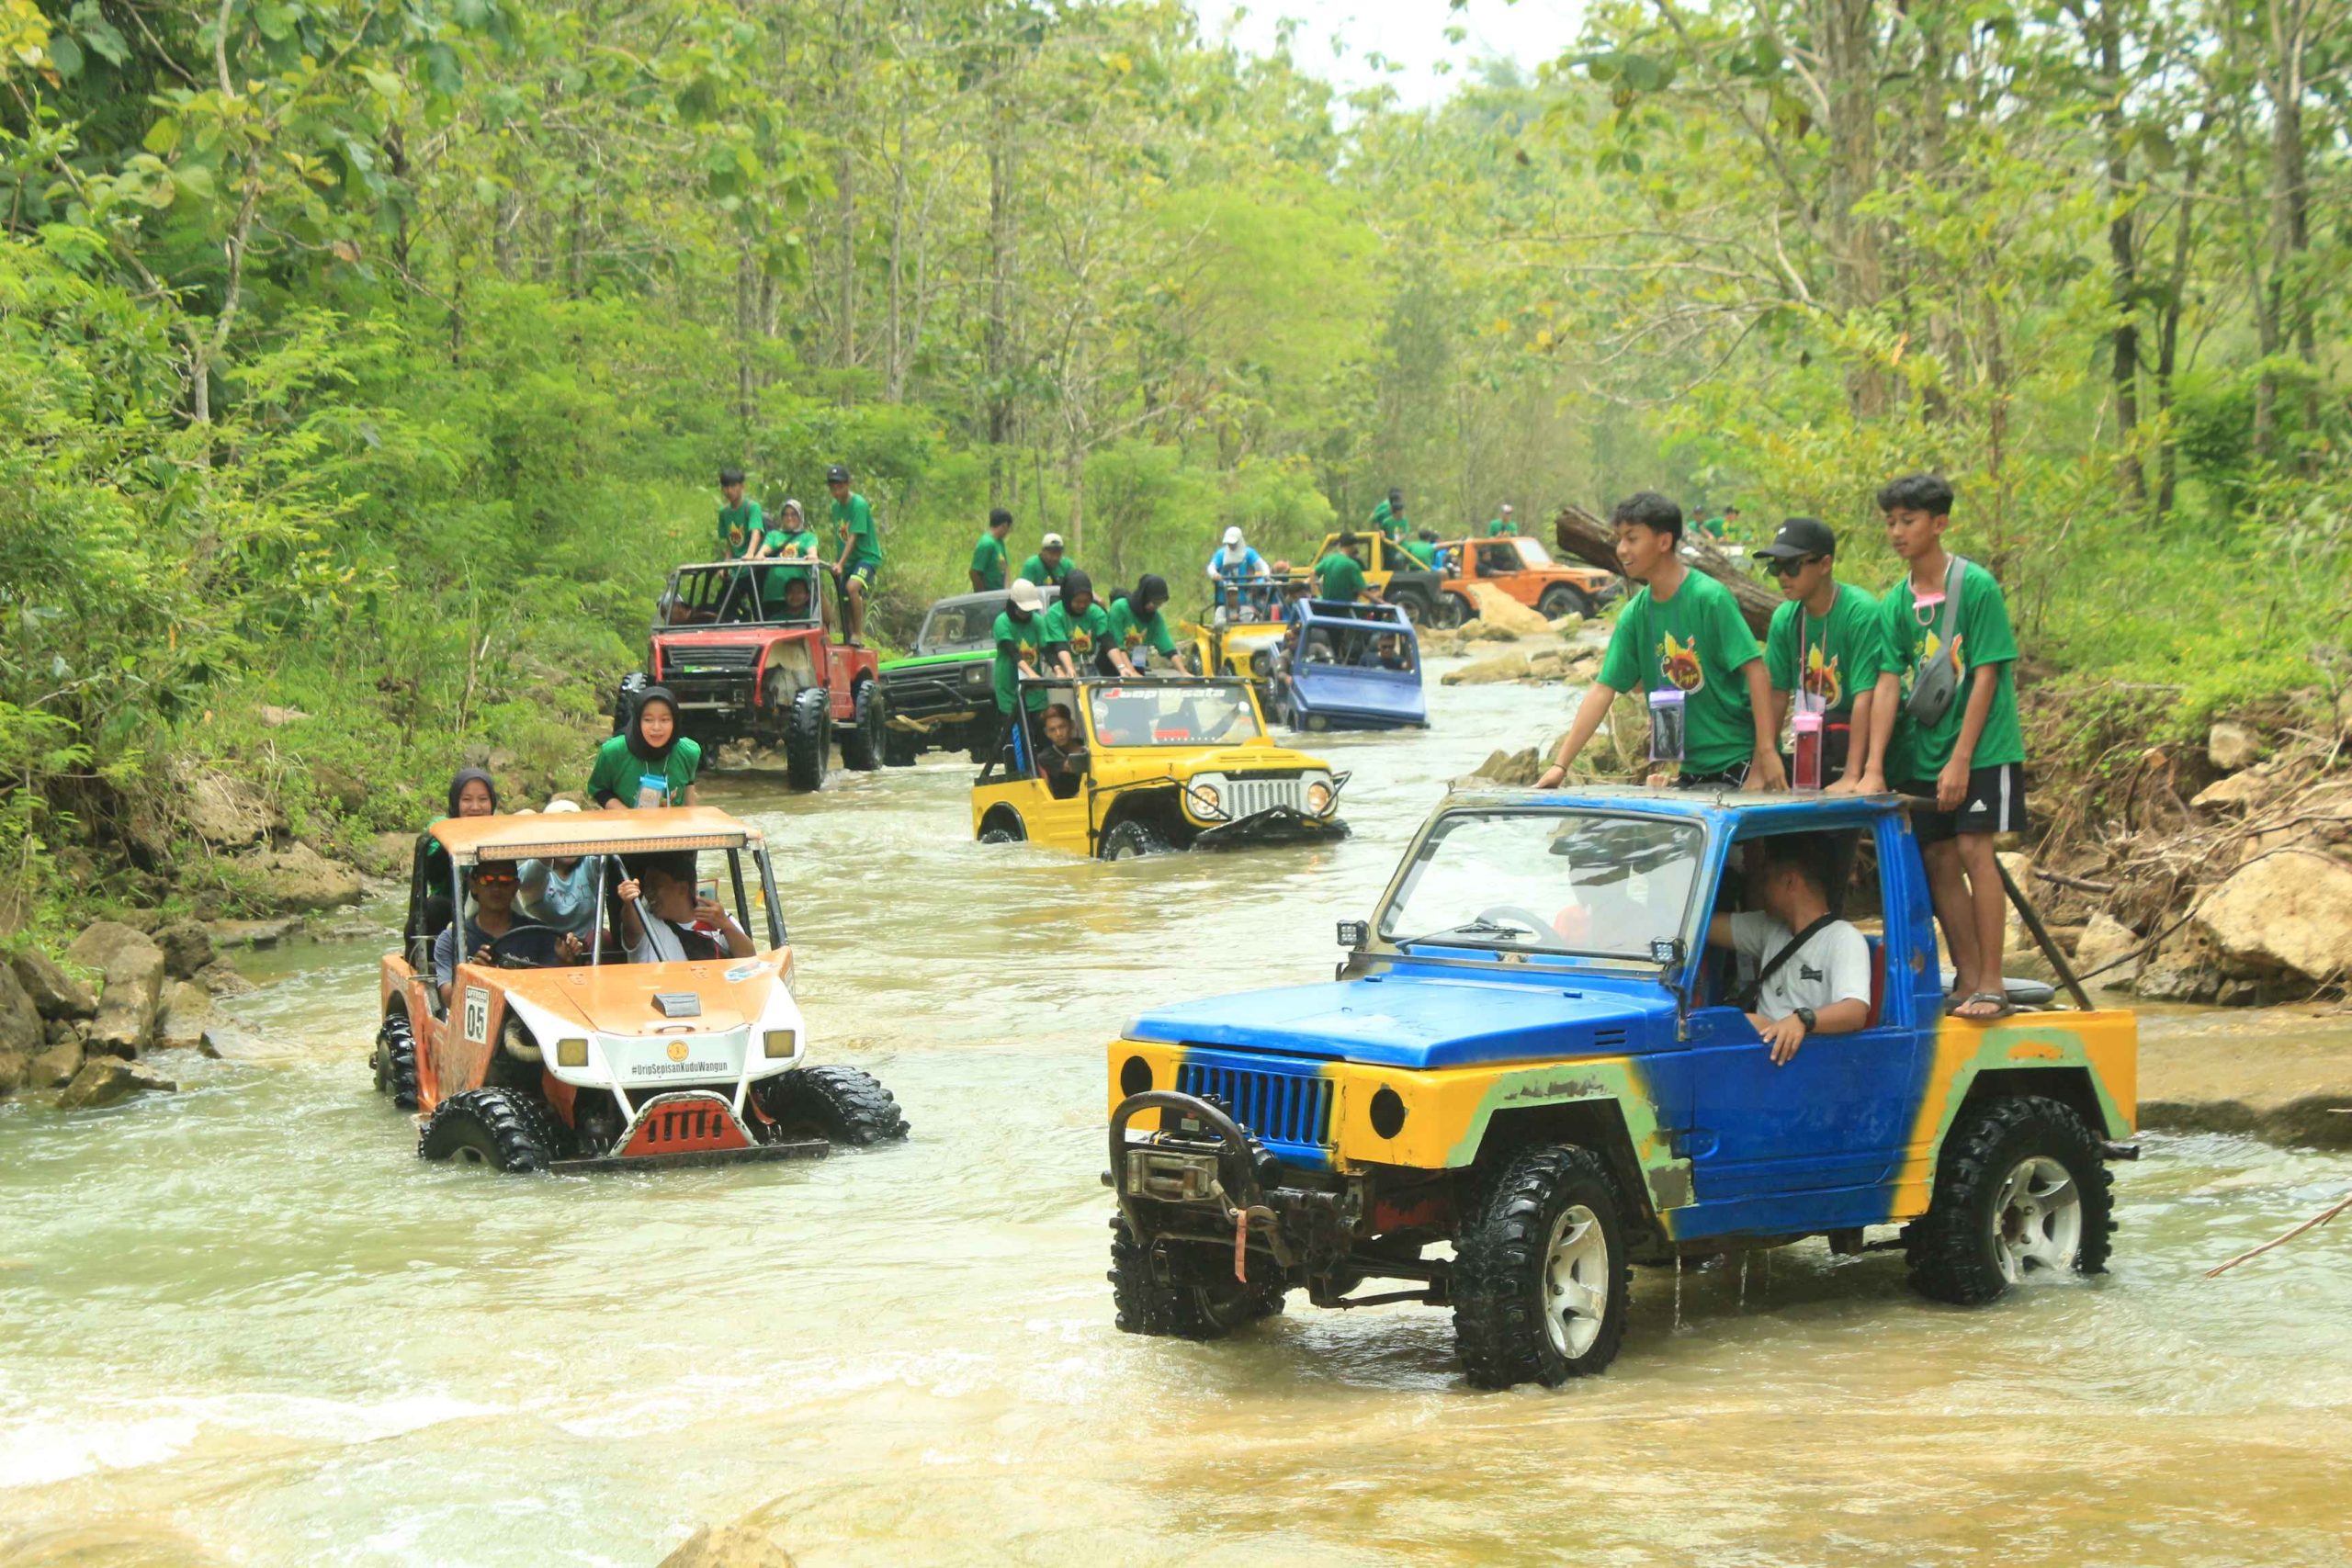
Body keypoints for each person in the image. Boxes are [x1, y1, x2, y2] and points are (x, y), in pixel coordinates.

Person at [1865, 472, 2026, 1022]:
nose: (1897, 532)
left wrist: (1961, 758)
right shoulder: (1895, 603)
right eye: (1890, 522)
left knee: (1976, 850)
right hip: (1921, 752)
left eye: (1907, 521)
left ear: (1939, 524)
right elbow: (1888, 681)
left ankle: (1995, 983)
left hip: (1980, 749)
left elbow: (1986, 677)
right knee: (1935, 858)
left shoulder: (1976, 586)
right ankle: (1967, 976)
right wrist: (1873, 766)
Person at [1534, 492, 1786, 792]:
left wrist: (1765, 756)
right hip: (1692, 769)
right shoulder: (1636, 615)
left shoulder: (1710, 598)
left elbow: (1757, 672)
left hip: (1739, 758)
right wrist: (1560, 766)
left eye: (1632, 539)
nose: (1622, 549)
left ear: (1664, 542)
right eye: (1620, 539)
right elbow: (1603, 689)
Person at [1705, 835, 1871, 1064]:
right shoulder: (1769, 928)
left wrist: (1801, 1020)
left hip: (1804, 1060)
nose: (1760, 888)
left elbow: (1855, 1011)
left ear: (1790, 882)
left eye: (1766, 879)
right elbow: (1700, 926)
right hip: (1761, 1052)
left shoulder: (1843, 938)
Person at [1753, 516, 1884, 791]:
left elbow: (1866, 699)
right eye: (1776, 567)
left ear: (1825, 564)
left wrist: (1852, 774)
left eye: (1792, 565)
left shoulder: (1859, 613)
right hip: (1818, 744)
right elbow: (1776, 695)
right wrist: (1761, 765)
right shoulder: (1785, 618)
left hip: (1865, 739)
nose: (1783, 576)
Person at [434, 863, 583, 1005]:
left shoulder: (541, 934)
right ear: (473, 885)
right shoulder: (451, 940)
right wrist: (473, 977)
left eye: (505, 880)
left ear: (515, 887)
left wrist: (566, 963)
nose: (496, 888)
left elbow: (560, 996)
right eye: (487, 880)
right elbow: (449, 999)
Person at [614, 855, 755, 964]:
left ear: (682, 888)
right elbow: (632, 930)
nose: (649, 892)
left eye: (655, 885)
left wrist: (727, 926)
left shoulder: (716, 917)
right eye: (647, 885)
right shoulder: (646, 921)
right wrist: (630, 902)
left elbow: (749, 960)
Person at [589, 684, 703, 809]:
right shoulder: (614, 751)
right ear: (638, 721)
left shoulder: (688, 752)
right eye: (648, 720)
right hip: (627, 826)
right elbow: (599, 790)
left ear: (675, 722)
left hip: (673, 827)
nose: (656, 727)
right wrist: (627, 815)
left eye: (664, 720)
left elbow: (689, 798)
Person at [517, 800, 598, 939]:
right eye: (561, 833)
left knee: (606, 937)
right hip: (545, 948)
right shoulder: (534, 870)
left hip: (586, 947)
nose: (568, 841)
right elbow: (533, 874)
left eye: (574, 833)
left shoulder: (589, 864)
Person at [992, 578, 1049, 770]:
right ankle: (1020, 773)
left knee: (1043, 734)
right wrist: (1031, 673)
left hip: (1035, 690)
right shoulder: (1002, 622)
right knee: (1016, 739)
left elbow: (1047, 648)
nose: (1026, 614)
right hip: (1010, 689)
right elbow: (1012, 652)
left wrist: (1060, 669)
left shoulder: (1038, 622)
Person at [1042, 570, 1133, 679]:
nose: (1082, 605)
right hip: (1060, 666)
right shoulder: (1055, 614)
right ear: (1068, 597)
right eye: (1077, 601)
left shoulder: (1096, 613)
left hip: (1087, 665)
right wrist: (1069, 668)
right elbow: (1060, 645)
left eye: (1086, 601)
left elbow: (1108, 642)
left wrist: (1122, 668)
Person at [826, 464, 881, 646]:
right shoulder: (835, 507)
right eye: (833, 488)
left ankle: (858, 633)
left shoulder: (858, 505)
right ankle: (848, 635)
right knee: (843, 596)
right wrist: (838, 561)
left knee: (852, 587)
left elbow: (853, 537)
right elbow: (839, 538)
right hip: (848, 560)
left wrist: (841, 563)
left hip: (867, 556)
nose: (836, 491)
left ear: (848, 484)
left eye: (840, 486)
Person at [1107, 573, 1181, 673]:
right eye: (1153, 602)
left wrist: (1183, 672)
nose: (1154, 606)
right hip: (1113, 662)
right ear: (1144, 596)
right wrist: (1132, 673)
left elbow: (1169, 648)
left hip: (1137, 660)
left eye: (1159, 603)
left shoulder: (1155, 619)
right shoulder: (1119, 608)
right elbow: (1117, 644)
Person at [1204, 526, 1270, 619]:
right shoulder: (1221, 554)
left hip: (1243, 597)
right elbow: (1211, 567)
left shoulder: (1248, 553)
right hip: (1224, 596)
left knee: (1248, 615)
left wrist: (1266, 575)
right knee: (1222, 617)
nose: (1231, 545)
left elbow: (1262, 564)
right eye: (1229, 543)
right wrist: (1214, 574)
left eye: (1233, 543)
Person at [1035, 703, 1089, 800]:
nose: (1058, 733)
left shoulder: (1087, 744)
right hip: (1068, 806)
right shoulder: (1046, 756)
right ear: (1047, 733)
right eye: (1052, 730)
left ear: (1071, 725)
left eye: (1062, 727)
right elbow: (1072, 766)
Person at [717, 468, 762, 560]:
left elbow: (756, 531)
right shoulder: (723, 512)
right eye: (726, 486)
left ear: (742, 486)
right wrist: (726, 565)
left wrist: (750, 553)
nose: (729, 490)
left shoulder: (752, 507)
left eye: (733, 486)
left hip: (753, 566)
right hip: (736, 567)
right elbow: (730, 542)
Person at [1313, 533, 1373, 604]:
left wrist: (1314, 595)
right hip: (1344, 609)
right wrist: (1382, 602)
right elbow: (1363, 591)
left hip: (1327, 606)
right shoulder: (1352, 565)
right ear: (1353, 546)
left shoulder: (1328, 559)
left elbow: (1312, 573)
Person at [971, 507, 1014, 592]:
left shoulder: (1000, 542)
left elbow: (1005, 567)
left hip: (999, 593)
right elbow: (974, 572)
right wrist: (982, 595)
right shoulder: (986, 543)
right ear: (1004, 525)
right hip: (989, 594)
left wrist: (1006, 590)